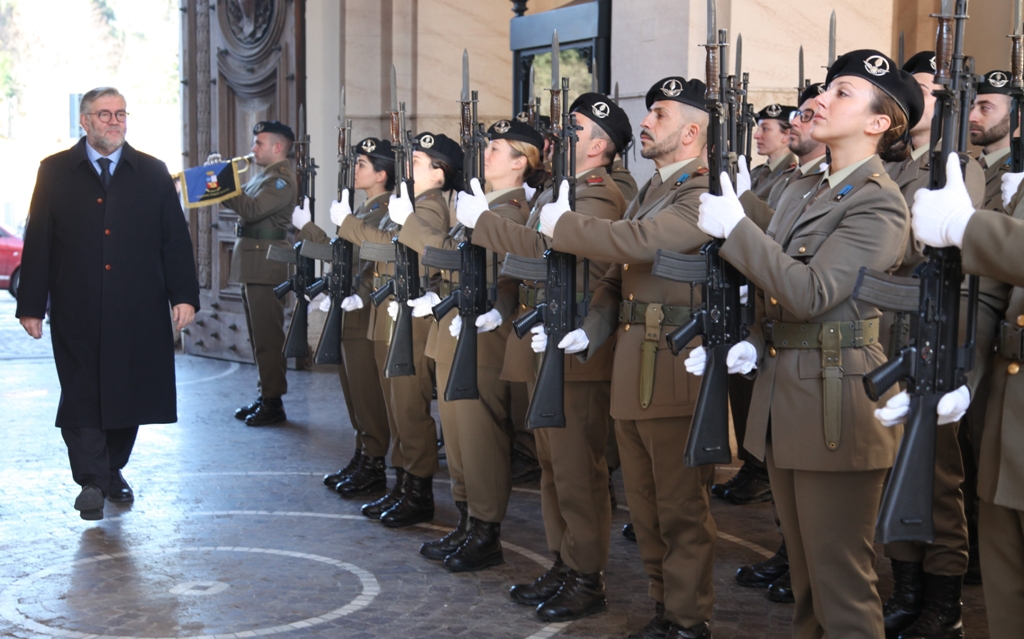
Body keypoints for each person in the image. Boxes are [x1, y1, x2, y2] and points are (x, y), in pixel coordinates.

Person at [696, 50, 922, 638]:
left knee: (840, 586)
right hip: (790, 391)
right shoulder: (805, 190)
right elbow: (775, 288)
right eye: (826, 88)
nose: (820, 99)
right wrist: (752, 336)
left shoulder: (878, 201)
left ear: (879, 122)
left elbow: (810, 292)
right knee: (806, 584)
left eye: (842, 93)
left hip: (836, 402)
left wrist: (737, 228)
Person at [539, 77, 718, 638]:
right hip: (632, 366)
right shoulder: (653, 190)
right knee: (645, 505)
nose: (645, 121)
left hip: (676, 364)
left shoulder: (703, 192)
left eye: (659, 114)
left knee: (681, 507)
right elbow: (617, 282)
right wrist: (591, 329)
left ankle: (688, 620)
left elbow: (639, 242)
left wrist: (564, 226)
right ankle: (664, 607)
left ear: (691, 133)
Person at [460, 92, 629, 623]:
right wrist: (504, 304)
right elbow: (530, 260)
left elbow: (548, 249)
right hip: (543, 339)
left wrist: (482, 223)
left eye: (574, 129)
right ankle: (564, 562)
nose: (560, 137)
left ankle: (587, 575)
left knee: (578, 470)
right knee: (553, 468)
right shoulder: (559, 191)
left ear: (599, 147)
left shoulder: (598, 194)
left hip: (575, 345)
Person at [16, 86, 199, 521]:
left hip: (138, 308)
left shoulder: (153, 172)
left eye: (120, 114)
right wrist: (31, 305)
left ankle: (111, 467)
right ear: (84, 121)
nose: (114, 121)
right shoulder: (54, 171)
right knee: (81, 392)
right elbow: (39, 239)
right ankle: (92, 482)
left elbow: (175, 240)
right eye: (104, 114)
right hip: (75, 307)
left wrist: (184, 296)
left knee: (127, 392)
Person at [888, 151, 1024, 639]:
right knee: (1009, 601)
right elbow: (992, 293)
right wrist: (960, 377)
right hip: (1008, 418)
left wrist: (969, 227)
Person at [398, 120, 539, 572]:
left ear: (520, 162)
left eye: (496, 149)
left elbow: (491, 270)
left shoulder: (510, 213)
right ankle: (466, 520)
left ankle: (486, 531)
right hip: (453, 331)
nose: (486, 154)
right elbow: (452, 260)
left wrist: (413, 224)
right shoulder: (480, 207)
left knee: (480, 439)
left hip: (483, 337)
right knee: (458, 440)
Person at [339, 132, 461, 528]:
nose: (407, 165)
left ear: (439, 174)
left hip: (412, 316)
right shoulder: (410, 203)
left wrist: (349, 225)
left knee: (409, 408)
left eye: (418, 161)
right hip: (389, 309)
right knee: (395, 408)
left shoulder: (428, 206)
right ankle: (403, 482)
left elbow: (403, 251)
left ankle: (418, 490)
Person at [291, 137, 394, 498]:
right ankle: (363, 454)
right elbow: (341, 256)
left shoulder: (383, 212)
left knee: (366, 393)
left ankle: (375, 462)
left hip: (365, 310)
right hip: (350, 305)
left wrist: (312, 228)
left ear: (381, 174)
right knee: (353, 393)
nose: (355, 170)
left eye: (362, 164)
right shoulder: (364, 210)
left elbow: (359, 255)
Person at [225, 121, 298, 427]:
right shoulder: (264, 175)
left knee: (268, 337)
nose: (253, 148)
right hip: (254, 263)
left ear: (277, 147)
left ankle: (273, 402)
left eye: (259, 143)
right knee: (259, 335)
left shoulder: (281, 180)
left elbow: (252, 210)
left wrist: (222, 182)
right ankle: (265, 394)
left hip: (266, 264)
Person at [969, 70, 1015, 212]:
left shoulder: (1018, 173)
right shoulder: (967, 166)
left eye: (985, 108)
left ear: (1017, 115)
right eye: (972, 107)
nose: (971, 117)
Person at [749, 103, 798, 200]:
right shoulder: (755, 173)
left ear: (787, 135)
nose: (756, 135)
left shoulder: (794, 176)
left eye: (765, 129)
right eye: (758, 129)